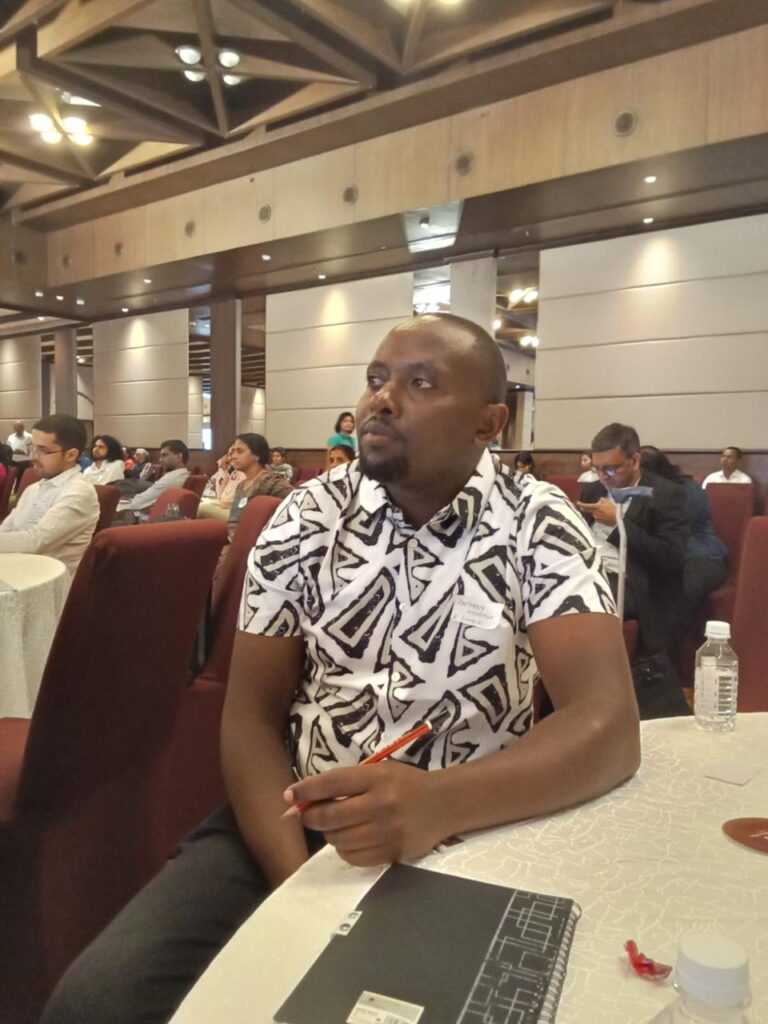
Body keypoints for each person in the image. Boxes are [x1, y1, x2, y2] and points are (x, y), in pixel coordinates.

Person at [42, 314, 640, 1024]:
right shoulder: (304, 518)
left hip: (479, 822)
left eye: (420, 383)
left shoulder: (537, 522)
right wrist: (298, 882)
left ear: (489, 424)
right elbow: (251, 715)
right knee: (99, 1001)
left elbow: (607, 725)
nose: (381, 399)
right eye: (377, 379)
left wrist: (438, 802)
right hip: (298, 815)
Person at [577, 422, 690, 656]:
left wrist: (617, 524)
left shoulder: (668, 495)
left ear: (635, 461)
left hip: (634, 582)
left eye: (610, 469)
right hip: (588, 571)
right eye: (597, 468)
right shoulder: (593, 490)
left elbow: (670, 557)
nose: (602, 476)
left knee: (579, 606)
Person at [640, 447, 727, 640]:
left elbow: (669, 525)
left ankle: (663, 661)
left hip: (701, 557)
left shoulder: (686, 489)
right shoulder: (644, 491)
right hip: (665, 558)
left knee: (675, 593)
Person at [0, 414, 99, 575]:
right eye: (32, 447)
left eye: (43, 450)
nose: (32, 456)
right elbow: (6, 529)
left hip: (48, 584)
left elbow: (36, 542)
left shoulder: (79, 492)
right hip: (17, 569)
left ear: (70, 455)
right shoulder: (33, 488)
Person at [225, 434, 293, 540]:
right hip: (236, 541)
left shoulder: (272, 482)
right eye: (233, 451)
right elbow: (233, 521)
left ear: (257, 455)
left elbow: (296, 503)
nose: (233, 456)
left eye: (239, 451)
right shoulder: (241, 485)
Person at [124, 440, 190, 523]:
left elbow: (135, 504)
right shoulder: (185, 474)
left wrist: (153, 506)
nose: (160, 460)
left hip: (146, 525)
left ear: (179, 457)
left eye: (164, 455)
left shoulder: (170, 480)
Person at [198, 446, 245, 521]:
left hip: (235, 513)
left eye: (239, 452)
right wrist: (222, 469)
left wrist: (210, 503)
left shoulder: (244, 475)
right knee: (198, 504)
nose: (232, 457)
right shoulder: (234, 473)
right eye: (230, 453)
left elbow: (229, 502)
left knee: (200, 508)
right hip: (225, 507)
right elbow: (221, 496)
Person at [6, 420, 33, 490]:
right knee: (10, 479)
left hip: (24, 462)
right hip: (13, 461)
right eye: (15, 428)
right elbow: (7, 449)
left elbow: (32, 452)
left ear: (23, 427)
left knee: (21, 480)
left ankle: (19, 493)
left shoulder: (29, 437)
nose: (17, 430)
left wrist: (21, 452)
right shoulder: (10, 437)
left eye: (19, 428)